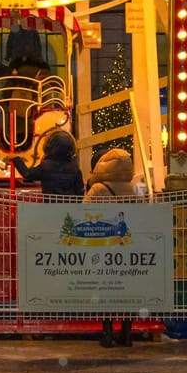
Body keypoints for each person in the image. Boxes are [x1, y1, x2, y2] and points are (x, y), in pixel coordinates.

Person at [87, 148, 144, 349]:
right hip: (127, 246)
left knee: (106, 288)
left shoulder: (97, 189)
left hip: (104, 245)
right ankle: (127, 333)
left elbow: (83, 212)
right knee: (127, 289)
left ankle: (107, 332)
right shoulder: (133, 188)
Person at [15, 129, 84, 200]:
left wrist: (16, 159)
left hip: (50, 205)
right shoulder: (75, 168)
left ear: (49, 147)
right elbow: (80, 192)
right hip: (70, 205)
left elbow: (27, 174)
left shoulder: (46, 167)